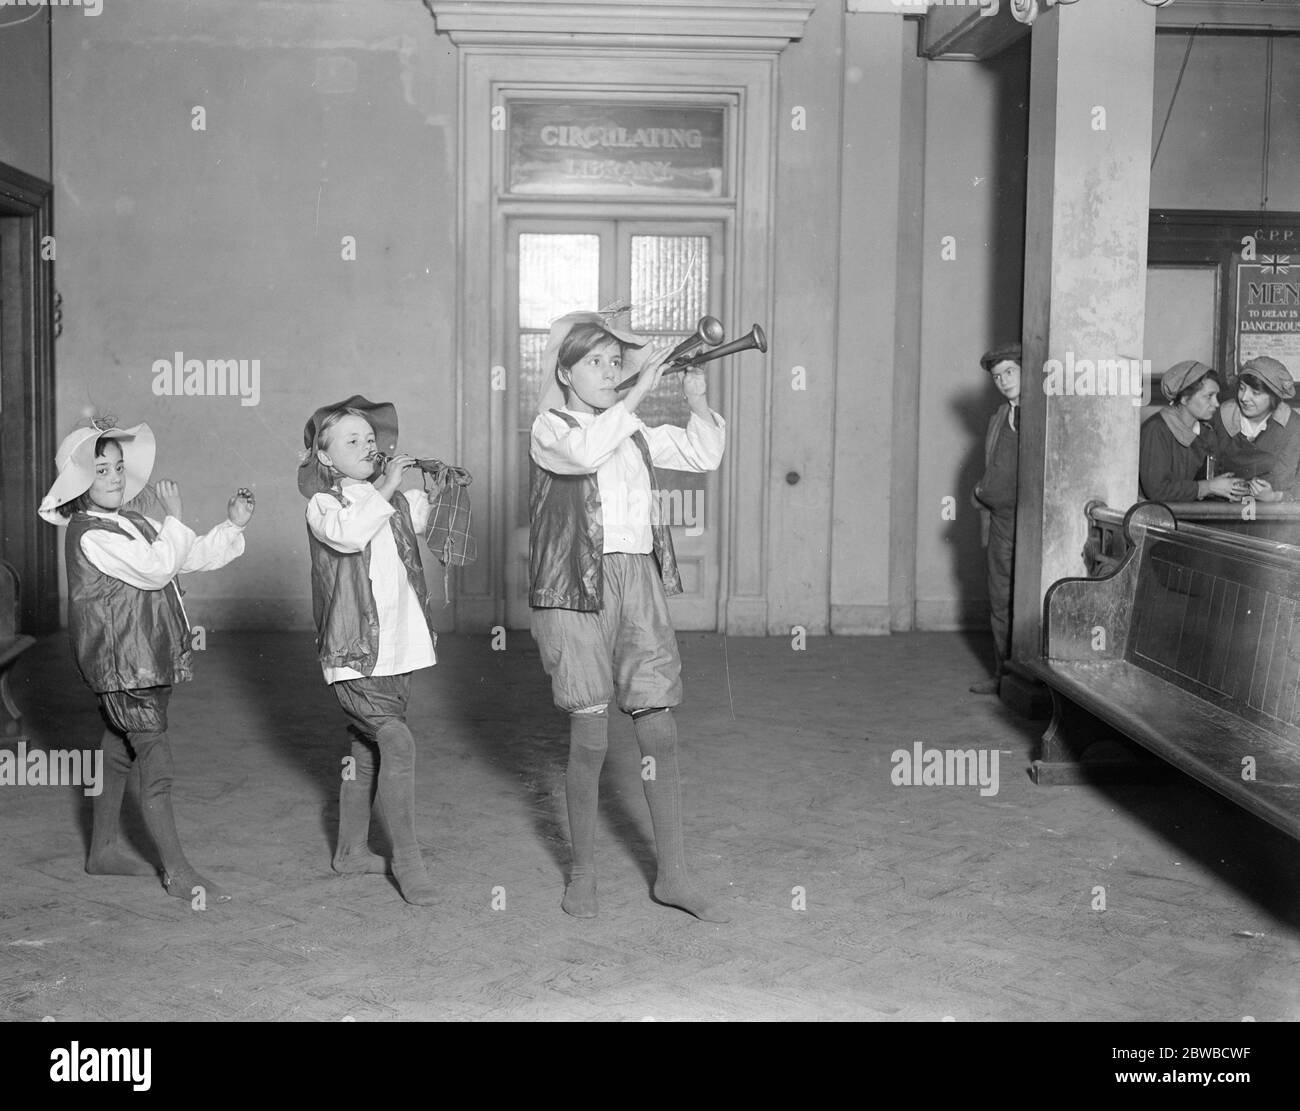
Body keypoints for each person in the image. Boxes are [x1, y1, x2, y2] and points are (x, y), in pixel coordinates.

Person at [529, 309, 730, 922]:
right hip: (573, 588)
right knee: (589, 737)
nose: (609, 372)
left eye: (615, 362)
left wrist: (695, 399)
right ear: (565, 373)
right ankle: (583, 873)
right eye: (596, 362)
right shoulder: (550, 427)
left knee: (658, 728)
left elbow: (705, 454)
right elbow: (589, 449)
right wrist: (640, 385)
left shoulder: (632, 428)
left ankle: (673, 876)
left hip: (635, 577)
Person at [38, 417, 253, 903]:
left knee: (118, 748)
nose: (115, 477)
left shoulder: (134, 520)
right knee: (154, 756)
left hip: (145, 656)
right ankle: (178, 872)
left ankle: (103, 851)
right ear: (78, 483)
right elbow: (158, 568)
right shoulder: (91, 535)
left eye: (118, 467)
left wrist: (232, 525)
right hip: (121, 665)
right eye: (101, 470)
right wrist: (174, 516)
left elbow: (188, 555)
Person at [299, 395, 446, 906]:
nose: (367, 446)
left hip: (397, 651)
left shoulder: (390, 499)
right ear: (324, 457)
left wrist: (434, 490)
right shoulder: (325, 505)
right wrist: (388, 488)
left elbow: (424, 526)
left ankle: (350, 851)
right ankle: (407, 863)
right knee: (398, 745)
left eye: (369, 438)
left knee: (366, 752)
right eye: (351, 441)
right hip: (353, 653)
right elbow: (349, 535)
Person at [970, 343, 1021, 696]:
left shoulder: (1043, 415)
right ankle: (1004, 674)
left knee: (1029, 601)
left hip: (1030, 525)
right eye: (997, 376)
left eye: (1010, 372)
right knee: (1000, 597)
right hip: (1000, 523)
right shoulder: (999, 416)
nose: (1003, 381)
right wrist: (981, 491)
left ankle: (1028, 679)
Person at [1139, 360, 1242, 503]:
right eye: (1209, 396)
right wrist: (1209, 487)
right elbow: (1157, 491)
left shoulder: (1207, 434)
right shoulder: (1156, 430)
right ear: (1184, 398)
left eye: (1216, 397)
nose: (1216, 404)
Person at [1210, 356, 1300, 503]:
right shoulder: (1218, 418)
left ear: (1274, 398)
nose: (1244, 398)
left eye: (1256, 393)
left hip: (1271, 518)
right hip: (1222, 513)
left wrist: (1275, 496)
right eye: (1242, 388)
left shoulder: (1293, 427)